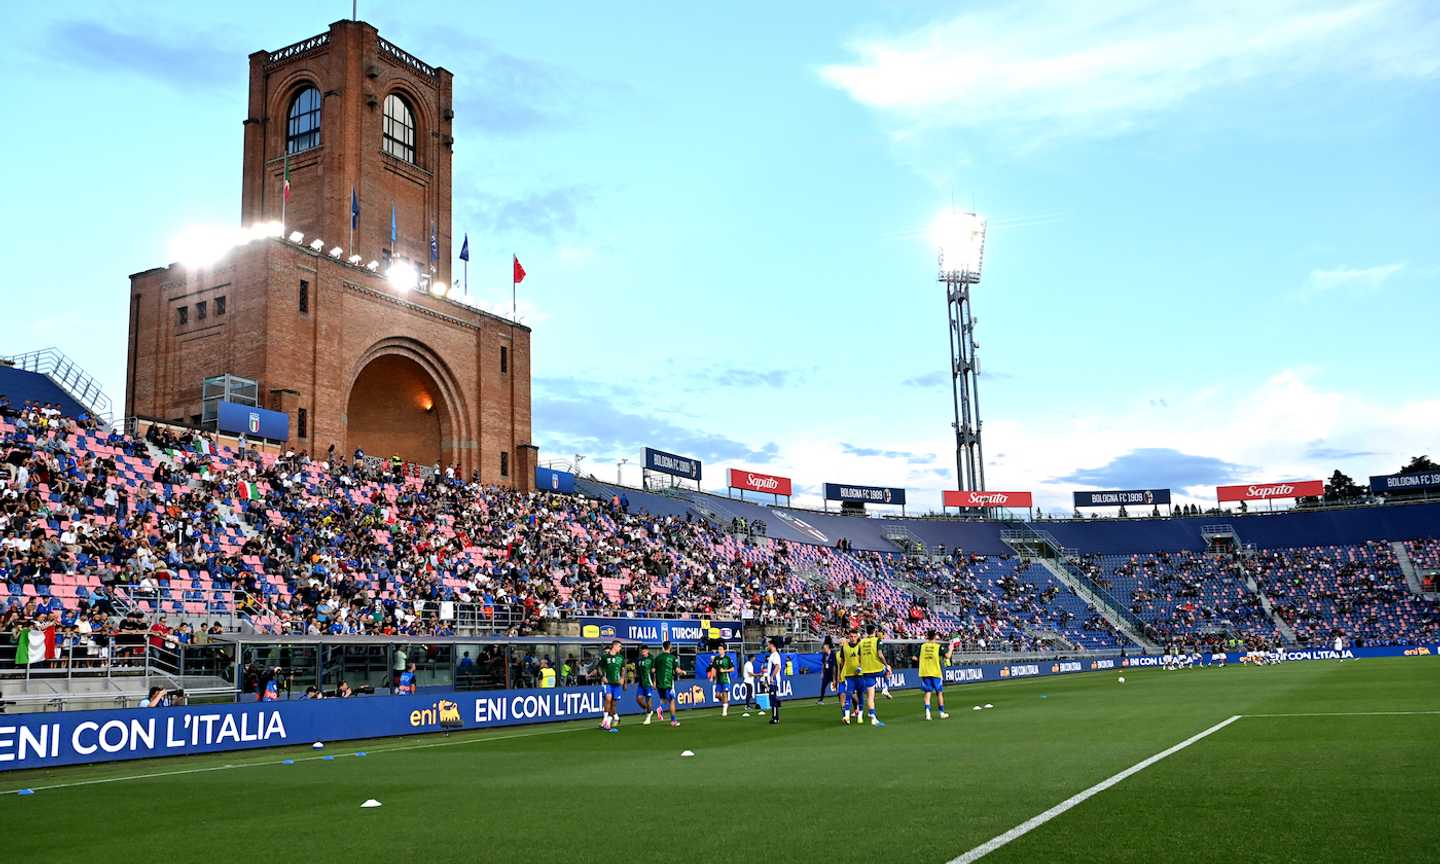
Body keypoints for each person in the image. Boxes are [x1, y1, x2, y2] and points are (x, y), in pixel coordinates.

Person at [858, 625, 888, 727]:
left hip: (866, 671)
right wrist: (886, 664)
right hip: (877, 669)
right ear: (874, 631)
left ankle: (873, 717)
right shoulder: (877, 640)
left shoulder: (861, 642)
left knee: (870, 696)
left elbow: (859, 657)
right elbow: (880, 654)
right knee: (888, 670)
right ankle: (885, 688)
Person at [918, 630, 951, 720]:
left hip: (924, 672)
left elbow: (914, 657)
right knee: (939, 693)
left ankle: (928, 714)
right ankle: (941, 713)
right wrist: (951, 648)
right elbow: (947, 656)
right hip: (935, 672)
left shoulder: (922, 646)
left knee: (927, 692)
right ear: (935, 636)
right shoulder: (937, 647)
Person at [653, 639, 682, 727]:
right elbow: (677, 670)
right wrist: (683, 672)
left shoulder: (657, 658)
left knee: (663, 700)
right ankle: (673, 721)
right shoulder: (672, 658)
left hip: (659, 682)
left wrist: (654, 682)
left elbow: (654, 670)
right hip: (668, 682)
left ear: (663, 647)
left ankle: (659, 710)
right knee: (672, 700)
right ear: (670, 647)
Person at [598, 640, 624, 732]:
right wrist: (602, 676)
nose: (620, 648)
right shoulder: (605, 657)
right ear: (615, 646)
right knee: (608, 698)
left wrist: (622, 679)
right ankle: (605, 719)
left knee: (613, 704)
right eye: (619, 646)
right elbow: (599, 667)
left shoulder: (620, 657)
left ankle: (609, 720)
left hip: (617, 684)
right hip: (608, 682)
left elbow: (623, 669)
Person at [839, 630, 863, 724]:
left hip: (860, 675)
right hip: (849, 675)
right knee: (848, 694)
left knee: (860, 695)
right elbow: (842, 661)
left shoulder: (860, 646)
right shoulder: (844, 647)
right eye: (851, 636)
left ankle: (860, 715)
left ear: (857, 637)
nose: (852, 638)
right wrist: (843, 670)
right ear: (849, 637)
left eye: (854, 636)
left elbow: (863, 660)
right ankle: (847, 717)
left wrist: (860, 668)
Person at [633, 644, 657, 724]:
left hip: (648, 683)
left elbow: (654, 672)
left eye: (644, 650)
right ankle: (649, 711)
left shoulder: (651, 659)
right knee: (638, 699)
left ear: (647, 650)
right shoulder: (639, 660)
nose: (643, 652)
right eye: (642, 650)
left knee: (648, 700)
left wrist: (654, 682)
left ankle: (648, 718)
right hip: (641, 683)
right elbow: (636, 670)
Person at [764, 637, 783, 725]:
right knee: (773, 699)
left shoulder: (775, 655)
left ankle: (775, 718)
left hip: (774, 681)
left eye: (768, 644)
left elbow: (777, 666)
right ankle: (775, 717)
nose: (767, 646)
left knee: (773, 699)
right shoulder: (773, 655)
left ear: (772, 645)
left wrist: (771, 677)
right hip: (772, 680)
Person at [817, 638, 836, 705]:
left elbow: (834, 666)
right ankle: (821, 700)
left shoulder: (833, 654)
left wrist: (834, 678)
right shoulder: (824, 655)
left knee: (839, 687)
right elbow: (823, 664)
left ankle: (843, 698)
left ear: (828, 648)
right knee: (823, 687)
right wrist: (822, 673)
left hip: (833, 674)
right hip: (826, 674)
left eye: (824, 648)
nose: (824, 649)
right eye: (823, 648)